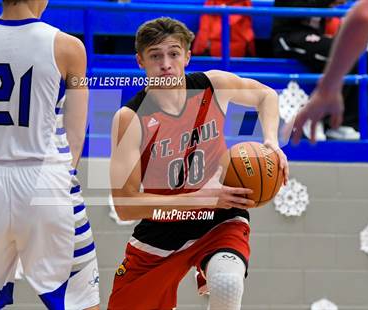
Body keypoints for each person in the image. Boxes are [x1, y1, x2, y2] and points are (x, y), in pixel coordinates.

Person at [108, 17, 289, 310]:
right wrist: (197, 198)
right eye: (155, 55)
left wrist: (271, 142)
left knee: (227, 284)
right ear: (140, 61)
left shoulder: (212, 86)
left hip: (220, 215)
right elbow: (125, 205)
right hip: (162, 225)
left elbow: (266, 95)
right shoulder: (129, 119)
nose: (166, 63)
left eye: (174, 53)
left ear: (187, 56)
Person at [0, 0, 99, 309]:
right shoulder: (68, 46)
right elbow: (76, 132)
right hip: (45, 175)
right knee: (77, 299)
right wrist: (59, 174)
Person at [272, 0, 361, 140]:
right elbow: (294, 9)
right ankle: (316, 117)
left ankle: (341, 124)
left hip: (316, 37)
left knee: (357, 54)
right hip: (289, 38)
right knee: (344, 57)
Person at [290, 0, 368, 144]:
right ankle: (340, 124)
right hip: (293, 36)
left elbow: (364, 15)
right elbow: (364, 15)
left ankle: (340, 123)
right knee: (362, 57)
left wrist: (327, 88)